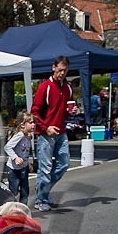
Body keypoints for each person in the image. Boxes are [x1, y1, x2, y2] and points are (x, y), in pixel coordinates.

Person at [31, 56, 78, 212]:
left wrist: (72, 111)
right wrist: (46, 128)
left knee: (64, 164)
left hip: (61, 131)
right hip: (46, 133)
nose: (62, 73)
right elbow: (34, 113)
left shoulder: (68, 87)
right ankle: (40, 199)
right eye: (59, 70)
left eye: (65, 70)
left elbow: (67, 106)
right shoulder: (45, 87)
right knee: (44, 168)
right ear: (53, 68)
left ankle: (44, 192)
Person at [3, 112, 34, 204]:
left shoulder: (29, 136)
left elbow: (25, 152)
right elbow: (7, 147)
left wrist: (28, 163)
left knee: (25, 190)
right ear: (23, 125)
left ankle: (22, 210)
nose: (33, 125)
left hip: (23, 168)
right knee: (14, 190)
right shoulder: (19, 136)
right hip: (14, 169)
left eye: (34, 122)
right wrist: (15, 158)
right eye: (30, 122)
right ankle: (9, 207)